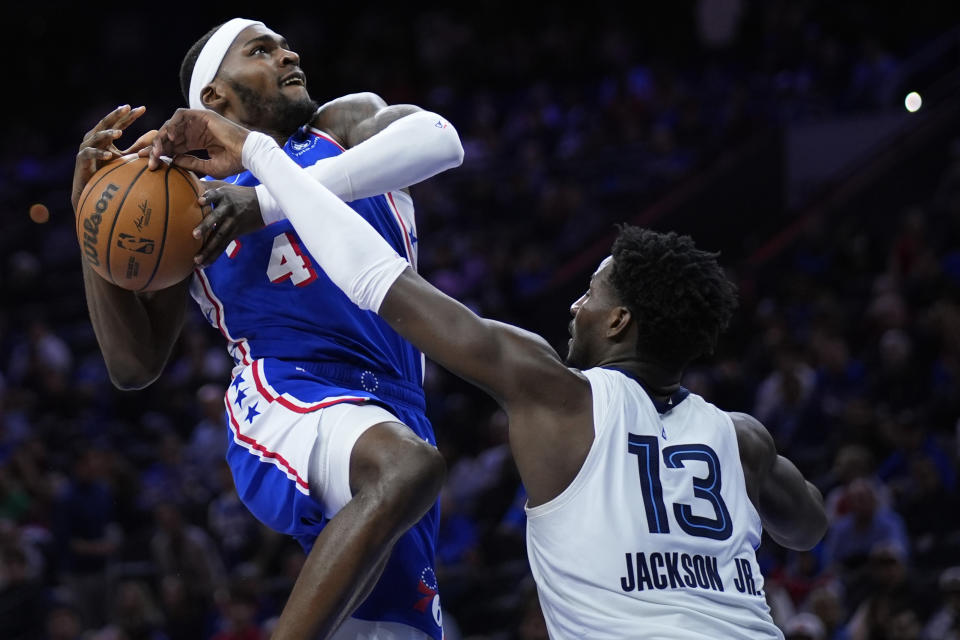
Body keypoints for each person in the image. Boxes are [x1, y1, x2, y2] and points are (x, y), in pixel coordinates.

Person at [149, 106, 830, 639]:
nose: (576, 304)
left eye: (592, 294)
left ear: (620, 322)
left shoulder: (558, 395)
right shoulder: (743, 440)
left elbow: (376, 277)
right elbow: (809, 527)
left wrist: (260, 158)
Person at [72, 17, 463, 640]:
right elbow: (134, 365)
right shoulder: (185, 198)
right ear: (215, 99)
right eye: (262, 50)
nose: (288, 53)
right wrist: (90, 224)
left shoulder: (343, 126)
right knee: (407, 468)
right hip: (285, 391)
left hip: (395, 401)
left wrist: (269, 199)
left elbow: (441, 140)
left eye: (283, 43)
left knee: (391, 630)